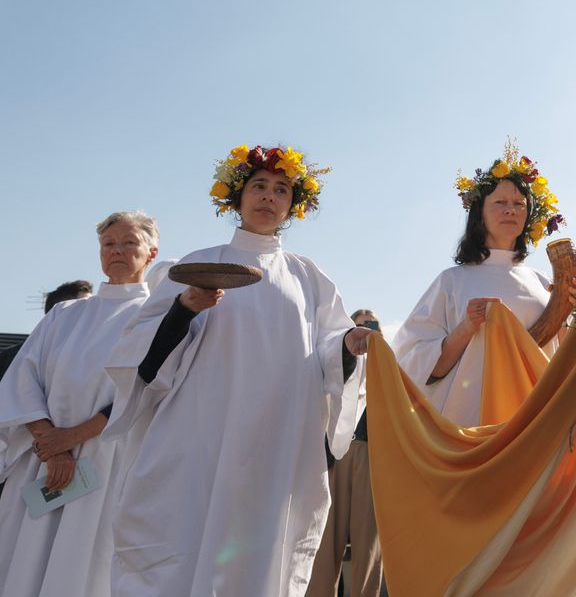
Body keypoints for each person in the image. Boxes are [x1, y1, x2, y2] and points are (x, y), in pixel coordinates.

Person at [104, 144, 374, 597]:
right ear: (237, 197)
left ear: (293, 206)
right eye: (259, 186)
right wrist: (185, 307)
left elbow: (331, 348)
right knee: (180, 549)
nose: (269, 197)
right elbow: (140, 357)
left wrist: (348, 345)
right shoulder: (197, 264)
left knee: (259, 559)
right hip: (198, 441)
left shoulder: (309, 277)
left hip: (276, 445)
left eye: (281, 189)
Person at [0, 212, 157, 595]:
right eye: (109, 244)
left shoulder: (155, 316)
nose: (117, 250)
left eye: (129, 242)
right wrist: (51, 445)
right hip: (42, 462)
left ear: (151, 253)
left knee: (86, 566)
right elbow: (21, 381)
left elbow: (144, 388)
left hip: (108, 462)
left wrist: (70, 438)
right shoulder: (64, 314)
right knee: (25, 559)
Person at [392, 144, 576, 427]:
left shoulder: (544, 283)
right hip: (468, 424)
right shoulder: (452, 281)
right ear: (480, 213)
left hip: (535, 423)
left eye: (519, 204)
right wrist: (465, 328)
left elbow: (564, 361)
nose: (510, 211)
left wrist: (573, 312)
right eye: (500, 203)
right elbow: (416, 368)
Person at [306, 308, 384, 597]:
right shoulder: (338, 362)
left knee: (368, 543)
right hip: (335, 456)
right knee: (325, 542)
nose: (366, 331)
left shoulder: (387, 369)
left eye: (371, 326)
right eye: (358, 326)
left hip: (371, 456)